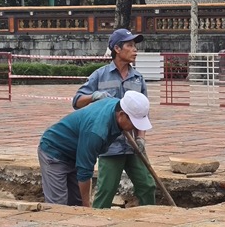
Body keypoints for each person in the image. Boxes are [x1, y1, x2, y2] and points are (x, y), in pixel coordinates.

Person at [71, 29, 155, 208]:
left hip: (133, 147)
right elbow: (77, 101)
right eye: (130, 45)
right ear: (117, 48)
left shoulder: (138, 79)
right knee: (106, 190)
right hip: (110, 146)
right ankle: (96, 219)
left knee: (148, 186)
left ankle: (152, 217)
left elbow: (143, 113)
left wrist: (141, 139)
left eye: (135, 45)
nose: (135, 50)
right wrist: (94, 96)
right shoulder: (100, 75)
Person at [39, 91, 152, 207]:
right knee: (58, 205)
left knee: (76, 203)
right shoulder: (97, 132)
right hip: (54, 152)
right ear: (121, 115)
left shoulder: (116, 105)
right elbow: (85, 170)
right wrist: (87, 207)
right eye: (134, 123)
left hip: (75, 152)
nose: (135, 127)